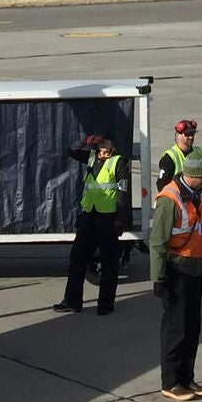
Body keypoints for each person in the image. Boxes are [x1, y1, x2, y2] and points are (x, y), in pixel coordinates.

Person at [149, 149, 202, 402]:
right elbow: (157, 242)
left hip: (194, 269)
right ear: (194, 175)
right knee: (175, 329)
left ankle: (187, 378)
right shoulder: (170, 198)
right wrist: (159, 279)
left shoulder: (196, 193)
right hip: (176, 271)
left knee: (192, 327)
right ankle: (171, 382)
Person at [53, 132, 129, 315]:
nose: (102, 144)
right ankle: (72, 301)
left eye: (105, 140)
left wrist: (119, 218)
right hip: (89, 216)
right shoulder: (91, 157)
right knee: (77, 259)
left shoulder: (118, 162)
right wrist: (85, 140)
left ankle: (105, 305)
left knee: (109, 263)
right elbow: (71, 150)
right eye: (99, 141)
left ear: (112, 143)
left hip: (107, 218)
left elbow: (123, 192)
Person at [156, 119, 202, 209]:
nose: (191, 137)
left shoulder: (199, 153)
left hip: (196, 202)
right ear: (178, 136)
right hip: (179, 204)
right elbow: (161, 185)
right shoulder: (170, 157)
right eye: (187, 134)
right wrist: (169, 203)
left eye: (192, 134)